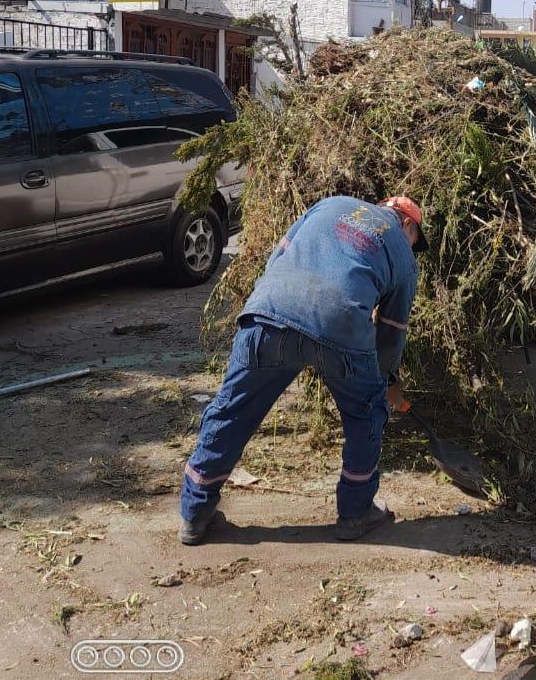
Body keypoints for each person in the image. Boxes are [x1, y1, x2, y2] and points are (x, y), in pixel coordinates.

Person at [178, 194, 426, 545]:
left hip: (269, 311)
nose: (413, 246)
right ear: (407, 224)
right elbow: (391, 331)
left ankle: (194, 513)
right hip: (339, 325)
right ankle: (355, 515)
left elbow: (278, 256)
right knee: (366, 412)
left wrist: (280, 311)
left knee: (233, 410)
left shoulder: (331, 204)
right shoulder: (402, 250)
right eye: (416, 239)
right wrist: (385, 380)